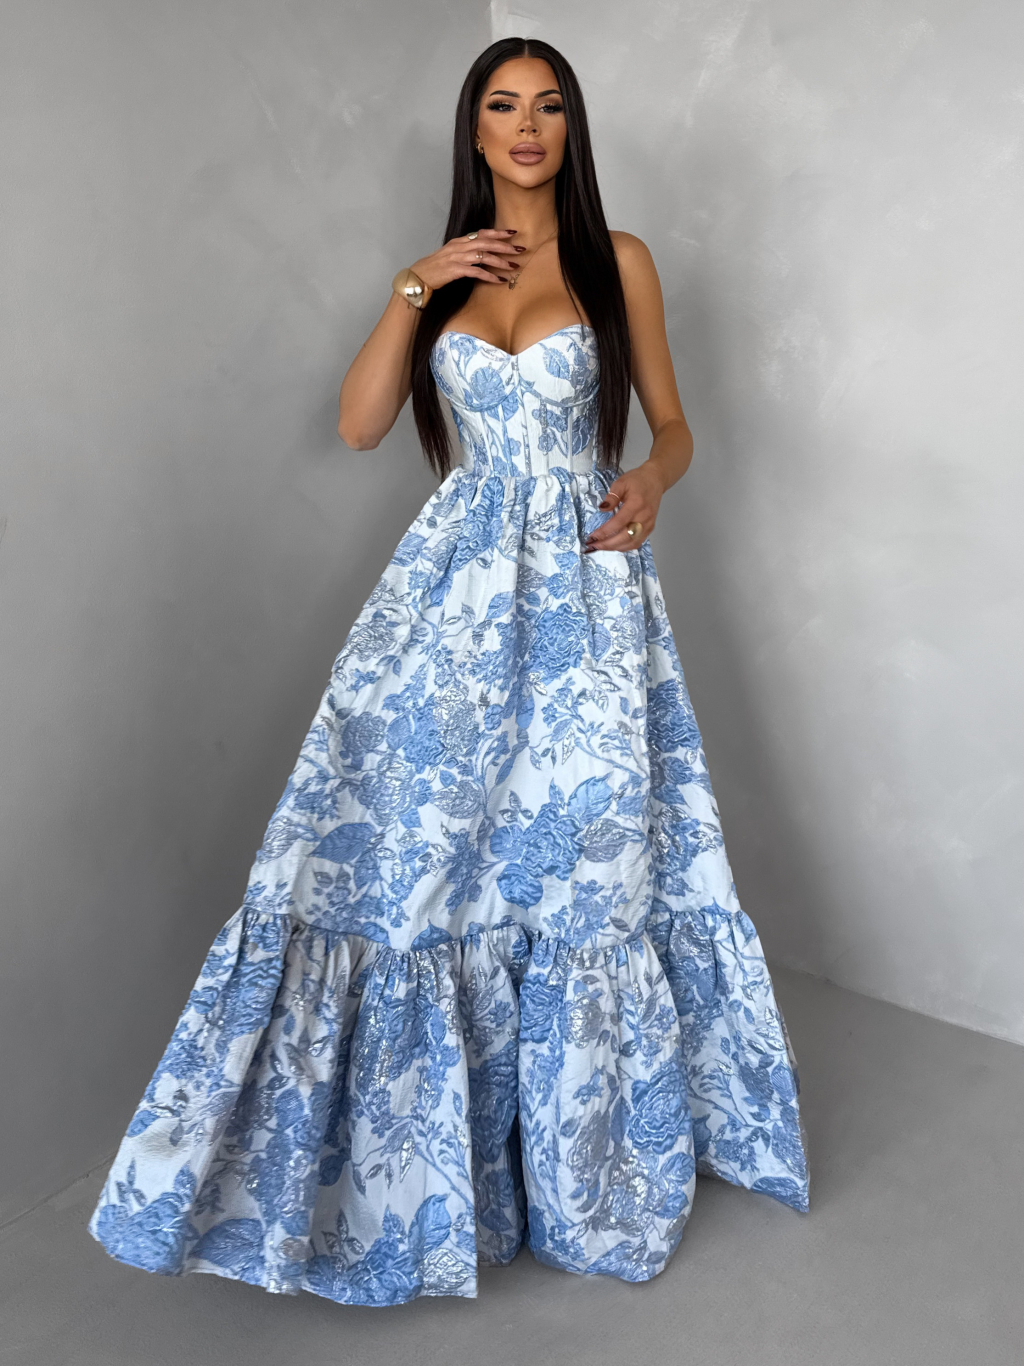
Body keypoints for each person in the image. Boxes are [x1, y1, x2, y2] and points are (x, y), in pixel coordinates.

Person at [88, 36, 809, 1308]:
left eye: (549, 106)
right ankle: (427, 1185)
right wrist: (416, 283)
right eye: (502, 106)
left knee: (580, 857)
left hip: (585, 588)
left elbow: (675, 422)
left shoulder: (618, 259)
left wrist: (652, 476)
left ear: (570, 129)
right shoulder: (444, 277)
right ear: (473, 131)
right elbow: (361, 423)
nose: (527, 126)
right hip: (452, 600)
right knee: (424, 858)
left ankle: (584, 1170)